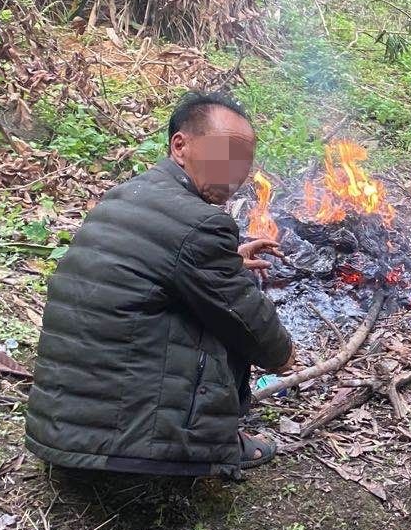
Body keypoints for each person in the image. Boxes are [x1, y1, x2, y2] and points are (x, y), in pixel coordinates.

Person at [25, 90, 295, 478]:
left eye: (244, 163)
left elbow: (153, 270)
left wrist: (227, 260)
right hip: (127, 452)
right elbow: (253, 325)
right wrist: (283, 356)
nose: (236, 172)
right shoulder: (200, 222)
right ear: (180, 145)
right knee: (224, 319)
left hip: (65, 434)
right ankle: (214, 444)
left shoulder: (127, 196)